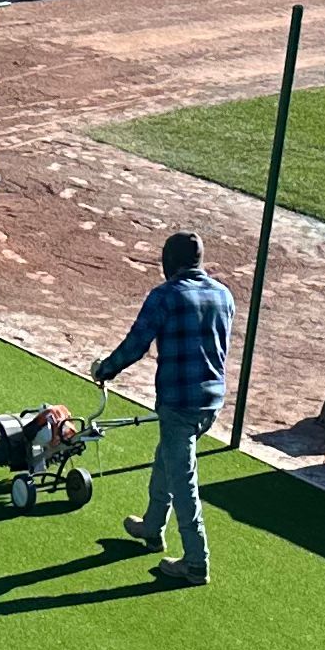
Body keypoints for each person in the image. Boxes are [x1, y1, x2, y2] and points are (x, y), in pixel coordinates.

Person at [91, 231, 230, 590]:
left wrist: (105, 369)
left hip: (178, 402)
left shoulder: (165, 296)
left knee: (184, 482)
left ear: (169, 262)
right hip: (211, 402)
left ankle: (196, 561)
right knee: (167, 458)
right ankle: (152, 527)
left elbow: (136, 344)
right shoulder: (223, 295)